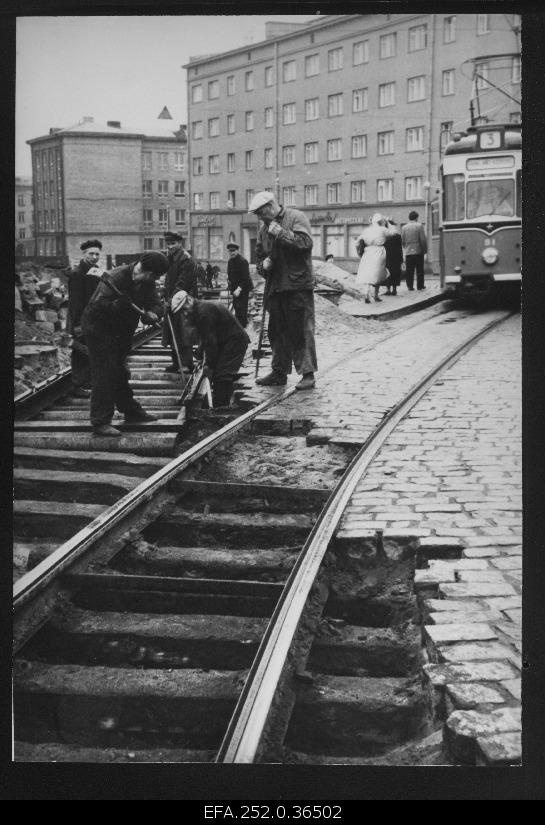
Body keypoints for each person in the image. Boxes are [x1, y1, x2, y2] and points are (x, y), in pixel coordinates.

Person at [81, 252, 169, 437]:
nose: (157, 279)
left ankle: (130, 410)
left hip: (121, 333)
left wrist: (153, 314)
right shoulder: (115, 278)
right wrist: (117, 305)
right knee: (105, 372)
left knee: (118, 370)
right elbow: (97, 307)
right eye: (157, 276)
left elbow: (157, 304)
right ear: (149, 272)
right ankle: (100, 421)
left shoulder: (147, 282)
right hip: (99, 330)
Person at [248, 191, 317, 391]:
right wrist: (264, 266)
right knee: (276, 332)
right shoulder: (263, 230)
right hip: (276, 287)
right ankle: (279, 372)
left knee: (301, 330)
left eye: (261, 213)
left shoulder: (296, 217)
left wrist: (282, 233)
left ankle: (307, 374)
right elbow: (260, 259)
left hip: (298, 285)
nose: (261, 218)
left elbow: (305, 244)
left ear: (270, 206)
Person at [171, 290, 250, 408]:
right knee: (220, 373)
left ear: (190, 300)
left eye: (184, 310)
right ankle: (221, 404)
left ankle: (221, 407)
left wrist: (209, 364)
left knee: (222, 374)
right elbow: (205, 337)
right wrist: (200, 355)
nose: (185, 314)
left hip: (235, 342)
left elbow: (211, 342)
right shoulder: (199, 310)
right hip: (227, 341)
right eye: (182, 312)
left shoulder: (203, 312)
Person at [66, 239, 103, 397]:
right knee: (80, 351)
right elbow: (75, 303)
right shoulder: (77, 273)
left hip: (92, 319)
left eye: (97, 254)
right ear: (83, 254)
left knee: (90, 350)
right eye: (91, 254)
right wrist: (77, 325)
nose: (94, 257)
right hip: (80, 320)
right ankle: (77, 385)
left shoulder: (95, 271)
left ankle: (88, 382)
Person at [162, 231, 199, 373]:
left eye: (173, 243)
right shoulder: (171, 258)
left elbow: (182, 284)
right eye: (168, 243)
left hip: (184, 301)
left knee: (184, 332)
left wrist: (171, 300)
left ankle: (187, 364)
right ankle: (176, 363)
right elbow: (169, 280)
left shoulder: (186, 259)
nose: (170, 246)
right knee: (173, 332)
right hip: (172, 299)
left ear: (180, 243)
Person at [355, 214, 389, 303]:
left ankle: (367, 294)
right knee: (378, 273)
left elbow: (357, 242)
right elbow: (392, 234)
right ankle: (376, 295)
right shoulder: (382, 229)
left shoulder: (366, 230)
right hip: (378, 252)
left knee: (368, 274)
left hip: (368, 252)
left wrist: (359, 253)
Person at [226, 241, 253, 328]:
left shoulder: (243, 261)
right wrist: (229, 281)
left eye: (233, 251)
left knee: (242, 307)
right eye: (230, 251)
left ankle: (243, 326)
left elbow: (246, 278)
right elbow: (230, 274)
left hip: (243, 288)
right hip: (235, 288)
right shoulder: (230, 261)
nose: (232, 253)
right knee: (236, 306)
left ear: (237, 251)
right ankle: (238, 325)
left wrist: (239, 289)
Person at [401, 210, 427, 291]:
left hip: (408, 252)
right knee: (419, 270)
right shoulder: (419, 226)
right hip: (418, 251)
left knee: (409, 271)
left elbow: (403, 240)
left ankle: (410, 286)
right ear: (416, 218)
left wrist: (406, 247)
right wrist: (424, 249)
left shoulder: (404, 227)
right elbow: (422, 239)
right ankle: (420, 285)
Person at [383, 219, 404, 296]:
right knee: (395, 273)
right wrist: (401, 260)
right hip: (396, 258)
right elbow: (400, 248)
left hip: (387, 258)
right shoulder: (398, 236)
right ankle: (394, 290)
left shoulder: (385, 236)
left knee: (387, 274)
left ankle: (388, 290)